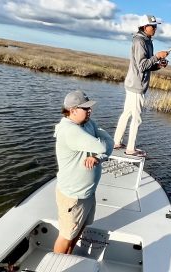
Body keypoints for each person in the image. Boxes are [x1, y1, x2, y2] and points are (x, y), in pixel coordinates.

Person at [53, 90, 113, 254]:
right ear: (72, 110)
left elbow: (109, 142)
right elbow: (104, 144)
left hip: (88, 193)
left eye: (90, 108)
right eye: (85, 109)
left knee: (78, 231)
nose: (90, 111)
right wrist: (103, 148)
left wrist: (99, 157)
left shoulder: (88, 124)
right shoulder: (69, 130)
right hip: (74, 197)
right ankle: (57, 264)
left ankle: (68, 257)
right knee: (66, 236)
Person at [113, 14, 169, 157]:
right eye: (153, 26)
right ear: (145, 27)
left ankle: (116, 143)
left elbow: (147, 66)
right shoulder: (139, 41)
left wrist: (158, 65)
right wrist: (157, 56)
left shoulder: (147, 41)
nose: (155, 29)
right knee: (136, 118)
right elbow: (142, 65)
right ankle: (130, 149)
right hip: (136, 86)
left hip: (136, 84)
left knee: (127, 114)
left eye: (156, 26)